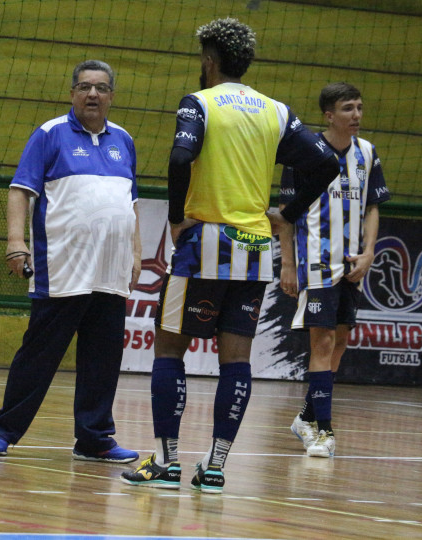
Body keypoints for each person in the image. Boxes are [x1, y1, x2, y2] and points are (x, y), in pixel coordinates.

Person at [120, 18, 339, 493]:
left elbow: (181, 159)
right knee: (236, 359)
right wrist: (290, 212)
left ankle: (165, 460)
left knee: (170, 347)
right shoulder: (276, 111)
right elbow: (326, 162)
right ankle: (216, 466)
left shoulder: (199, 103)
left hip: (204, 246)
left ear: (209, 61)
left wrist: (177, 216)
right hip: (256, 248)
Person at [0, 59, 141, 463]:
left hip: (111, 271)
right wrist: (17, 241)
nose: (93, 94)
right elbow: (20, 190)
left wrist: (136, 253)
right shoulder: (50, 134)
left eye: (101, 88)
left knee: (102, 361)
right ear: (72, 93)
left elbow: (130, 205)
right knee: (39, 355)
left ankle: (95, 437)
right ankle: (3, 431)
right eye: (85, 87)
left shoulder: (125, 140)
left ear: (111, 96)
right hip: (63, 267)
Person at [280, 82, 390, 458]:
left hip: (354, 265)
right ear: (329, 115)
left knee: (340, 343)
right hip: (316, 263)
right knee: (323, 342)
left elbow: (374, 206)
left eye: (359, 107)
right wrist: (289, 266)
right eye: (347, 109)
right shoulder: (303, 154)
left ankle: (306, 417)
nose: (356, 115)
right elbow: (285, 217)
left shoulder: (368, 154)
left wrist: (370, 252)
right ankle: (324, 430)